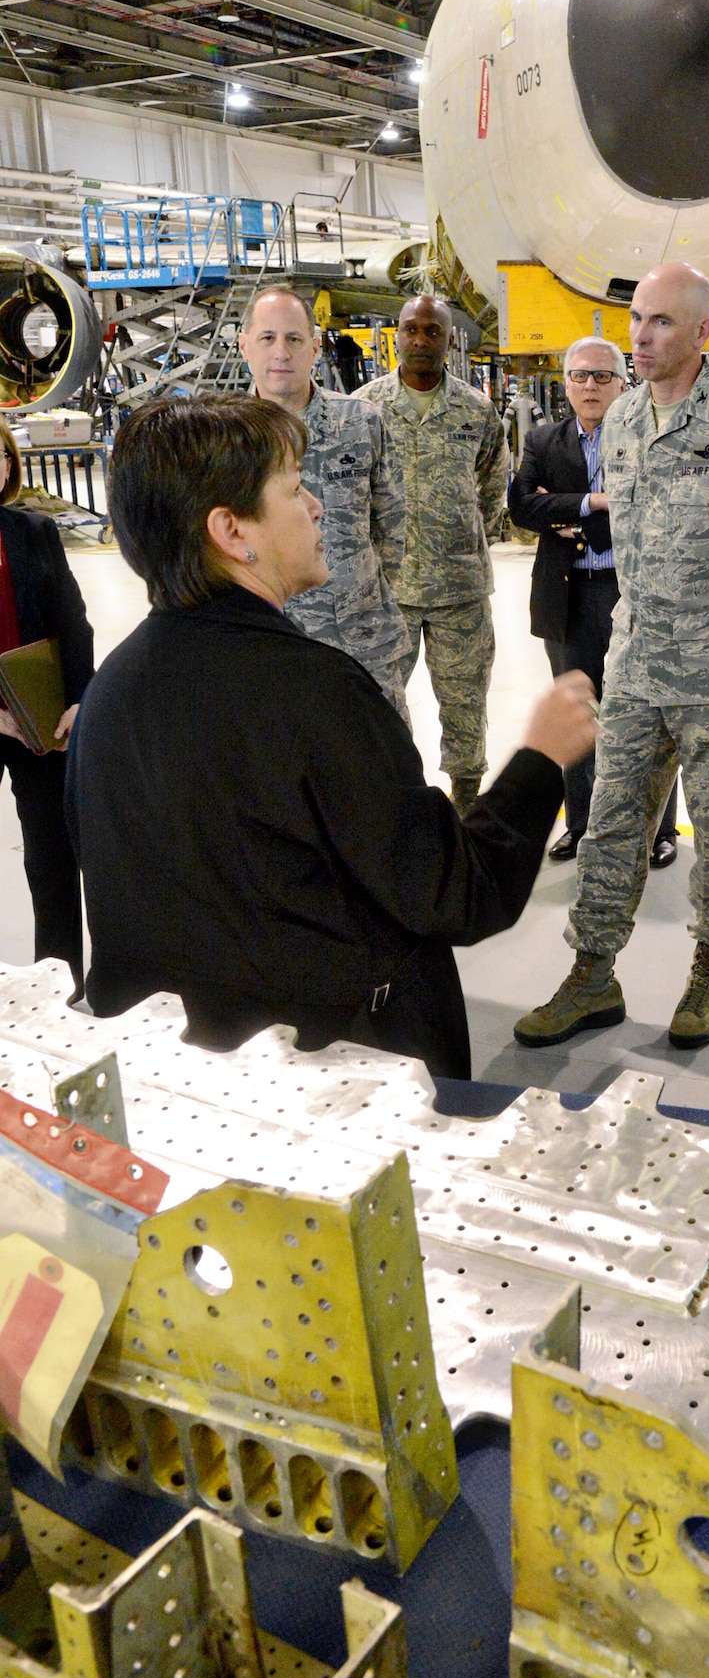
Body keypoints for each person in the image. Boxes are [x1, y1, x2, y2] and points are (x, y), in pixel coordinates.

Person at [66, 396, 596, 1080]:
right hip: (335, 1077)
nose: (316, 507)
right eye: (292, 488)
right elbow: (456, 895)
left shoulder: (111, 690)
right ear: (233, 531)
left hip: (187, 1072)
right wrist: (540, 761)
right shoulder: (313, 692)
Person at [515, 262, 709, 1051]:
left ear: (702, 332)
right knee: (607, 822)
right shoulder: (624, 419)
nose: (641, 335)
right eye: (637, 318)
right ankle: (592, 973)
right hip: (633, 664)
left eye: (662, 321)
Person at [508, 338, 678, 865]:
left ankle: (658, 829)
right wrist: (595, 501)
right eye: (580, 376)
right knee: (577, 716)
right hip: (569, 595)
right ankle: (580, 826)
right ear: (565, 383)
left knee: (649, 713)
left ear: (624, 382)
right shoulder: (542, 441)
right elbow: (520, 508)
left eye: (602, 377)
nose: (590, 386)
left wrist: (564, 515)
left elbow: (656, 503)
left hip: (633, 592)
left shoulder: (652, 436)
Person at [357, 297, 507, 811]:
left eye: (432, 331)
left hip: (459, 589)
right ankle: (391, 807)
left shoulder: (476, 409)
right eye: (411, 329)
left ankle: (465, 808)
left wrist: (462, 537)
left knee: (465, 707)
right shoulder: (365, 407)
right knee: (379, 706)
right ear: (395, 335)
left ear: (449, 339)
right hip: (386, 590)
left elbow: (491, 484)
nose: (421, 340)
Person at [238, 283, 411, 718]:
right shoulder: (226, 440)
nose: (282, 353)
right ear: (244, 346)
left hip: (364, 643)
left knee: (384, 767)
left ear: (315, 347)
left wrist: (356, 591)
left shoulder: (361, 421)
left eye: (294, 339)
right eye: (268, 338)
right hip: (269, 645)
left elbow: (391, 524)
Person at [0, 424, 92, 1000]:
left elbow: (73, 621)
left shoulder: (34, 531)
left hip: (38, 718)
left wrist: (80, 698)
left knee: (52, 857)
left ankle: (61, 984)